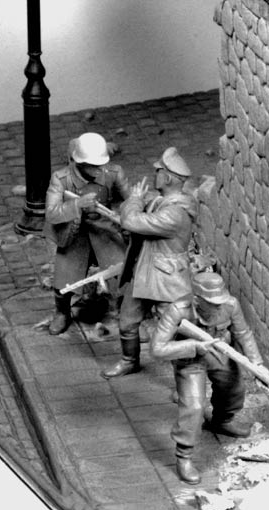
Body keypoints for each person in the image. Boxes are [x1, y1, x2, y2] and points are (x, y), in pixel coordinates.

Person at [150, 272, 263, 484]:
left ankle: (223, 421)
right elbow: (156, 349)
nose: (219, 307)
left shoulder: (230, 304)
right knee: (194, 406)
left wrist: (257, 364)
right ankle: (184, 456)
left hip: (219, 352)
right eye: (212, 303)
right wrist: (194, 346)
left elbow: (243, 333)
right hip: (190, 360)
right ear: (197, 300)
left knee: (233, 388)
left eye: (220, 301)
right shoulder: (177, 310)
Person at [101, 147, 198, 379]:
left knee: (174, 332)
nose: (155, 175)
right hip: (145, 272)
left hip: (167, 280)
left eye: (158, 171)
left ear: (168, 178)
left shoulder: (175, 213)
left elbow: (132, 221)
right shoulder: (162, 202)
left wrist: (134, 200)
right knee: (127, 322)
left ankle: (187, 381)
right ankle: (129, 361)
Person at [43, 132, 129, 335]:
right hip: (75, 232)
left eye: (101, 164)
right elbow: (52, 213)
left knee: (123, 272)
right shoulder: (61, 179)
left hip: (104, 229)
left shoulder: (114, 172)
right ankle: (62, 312)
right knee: (64, 275)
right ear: (80, 163)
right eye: (93, 165)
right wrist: (77, 204)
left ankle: (128, 316)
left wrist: (127, 215)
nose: (99, 170)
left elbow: (130, 199)